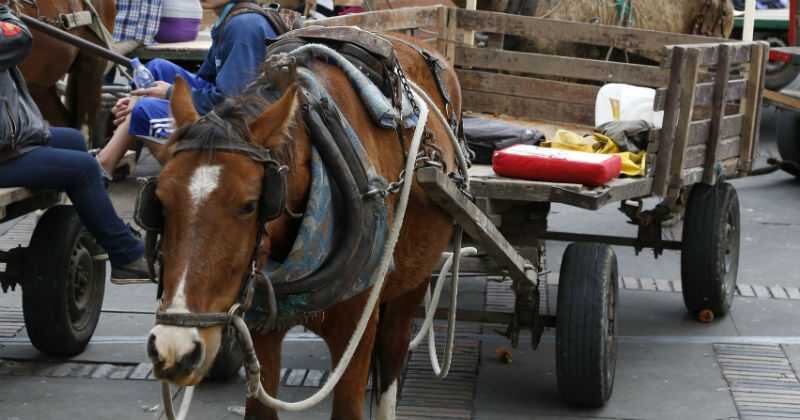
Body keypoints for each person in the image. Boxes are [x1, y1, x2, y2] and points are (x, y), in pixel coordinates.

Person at [0, 6, 149, 283]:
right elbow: (20, 38)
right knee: (83, 169)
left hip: (9, 137)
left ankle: (95, 221)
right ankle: (126, 254)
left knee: (74, 141)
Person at [97, 0, 279, 176]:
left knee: (143, 110)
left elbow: (232, 103)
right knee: (156, 68)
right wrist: (143, 96)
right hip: (223, 108)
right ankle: (111, 157)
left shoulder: (243, 26)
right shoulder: (231, 18)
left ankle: (187, 176)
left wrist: (168, 93)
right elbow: (206, 79)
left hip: (235, 130)